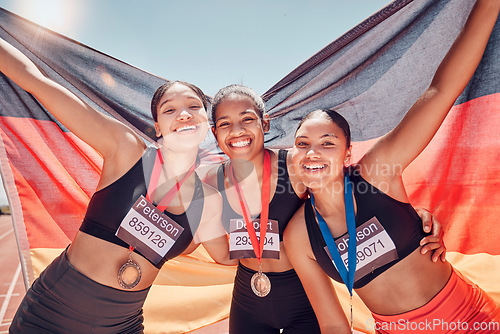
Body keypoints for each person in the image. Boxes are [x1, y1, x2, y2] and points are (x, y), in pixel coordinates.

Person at [284, 1, 500, 333]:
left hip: (470, 317)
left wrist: (489, 6)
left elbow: (441, 91)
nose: (313, 153)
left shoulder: (377, 173)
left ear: (347, 154)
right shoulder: (298, 236)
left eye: (327, 143)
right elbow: (332, 323)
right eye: (302, 144)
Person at [0, 38, 232, 333]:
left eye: (193, 106)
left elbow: (227, 256)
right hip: (52, 315)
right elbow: (36, 82)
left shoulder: (208, 202)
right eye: (169, 110)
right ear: (158, 127)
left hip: (123, 325)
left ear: (207, 122)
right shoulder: (126, 150)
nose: (184, 114)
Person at [204, 84, 446, 333]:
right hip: (248, 293)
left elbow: (352, 186)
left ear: (264, 124)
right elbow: (220, 252)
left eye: (247, 119)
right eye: (224, 124)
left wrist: (414, 218)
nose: (237, 130)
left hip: (303, 295)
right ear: (214, 131)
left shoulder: (296, 164)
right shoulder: (210, 182)